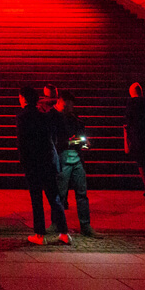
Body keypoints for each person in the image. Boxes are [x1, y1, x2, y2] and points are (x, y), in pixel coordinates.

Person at [17, 85, 70, 245]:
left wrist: (24, 162)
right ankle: (64, 233)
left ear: (24, 99)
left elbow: (22, 143)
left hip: (34, 163)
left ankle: (40, 234)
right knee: (54, 197)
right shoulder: (44, 115)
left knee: (37, 199)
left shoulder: (23, 117)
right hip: (48, 160)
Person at [54, 91, 95, 237]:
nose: (69, 109)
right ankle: (57, 224)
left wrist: (84, 143)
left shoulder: (74, 119)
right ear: (59, 103)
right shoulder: (53, 118)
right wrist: (73, 141)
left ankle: (85, 225)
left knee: (81, 193)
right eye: (66, 106)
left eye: (71, 106)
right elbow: (56, 141)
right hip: (63, 156)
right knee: (60, 193)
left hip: (76, 157)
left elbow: (81, 137)